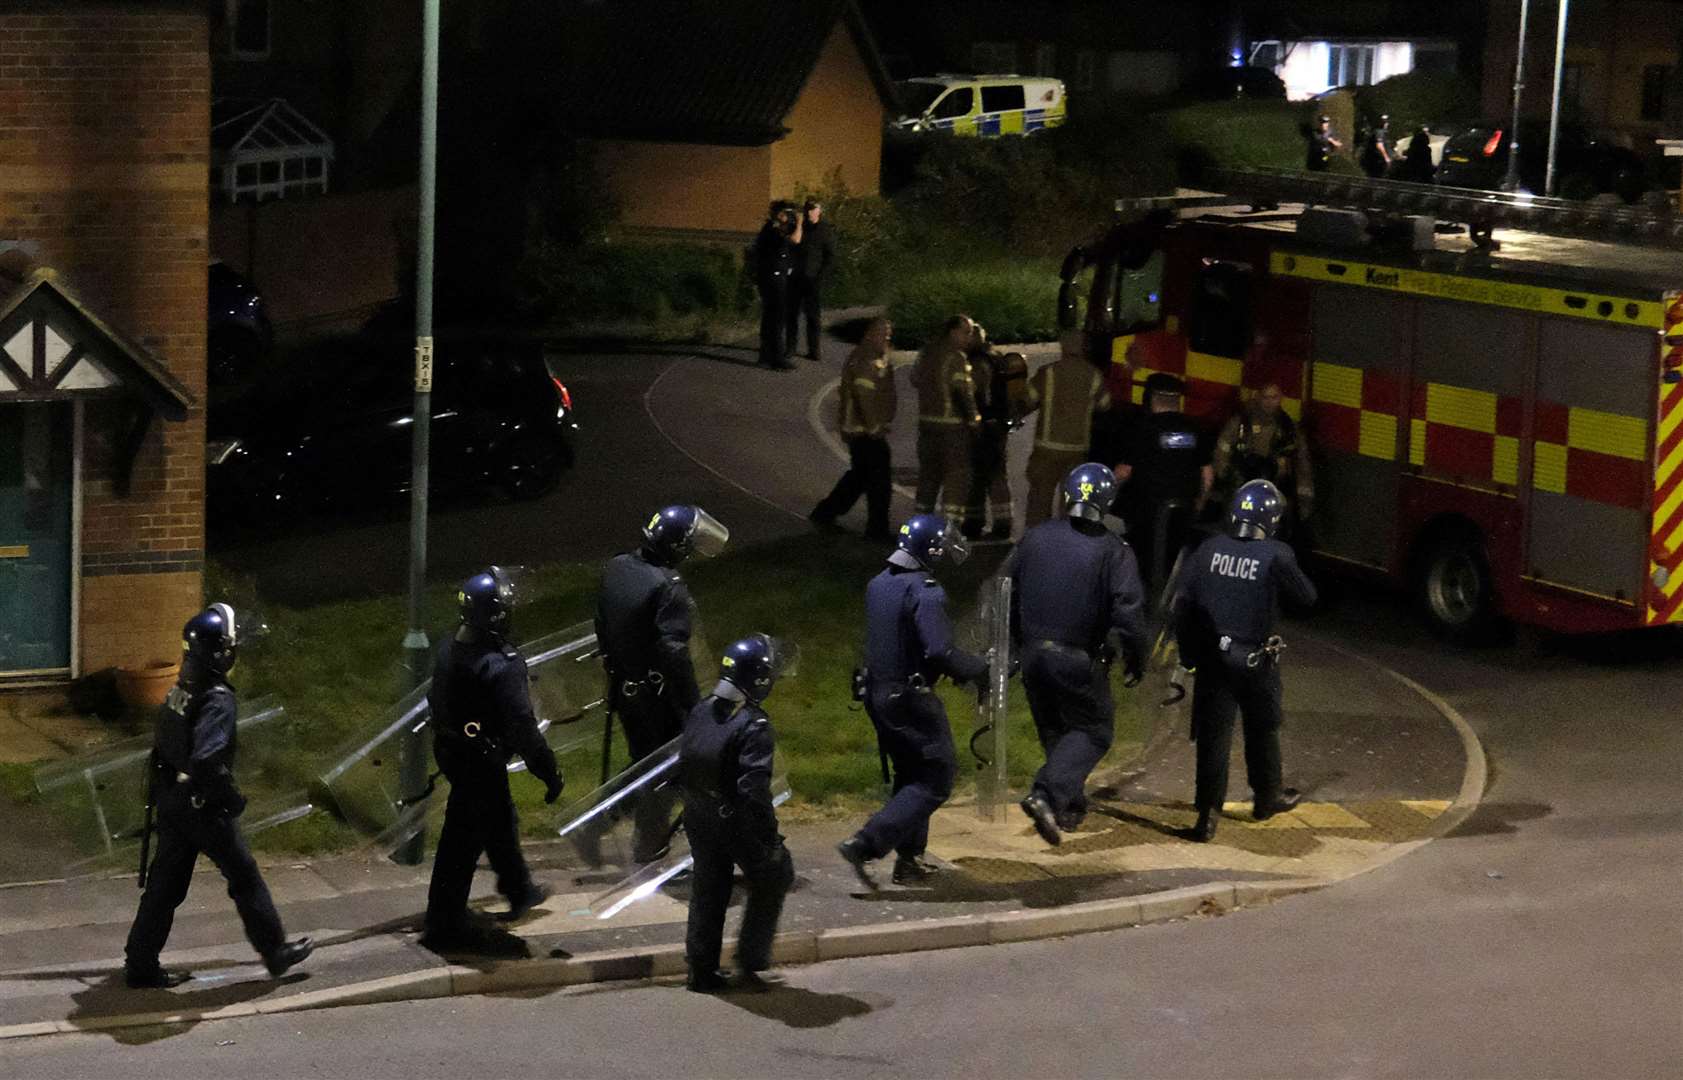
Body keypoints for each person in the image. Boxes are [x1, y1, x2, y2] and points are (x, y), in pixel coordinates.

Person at [124, 604, 313, 988]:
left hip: (173, 800)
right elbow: (208, 758)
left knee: (164, 887)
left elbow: (165, 741)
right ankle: (274, 952)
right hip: (202, 806)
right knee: (244, 877)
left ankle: (140, 963)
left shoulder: (183, 686)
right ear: (221, 653)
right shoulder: (217, 698)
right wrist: (229, 798)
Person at [838, 515, 988, 888]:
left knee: (911, 776)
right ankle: (866, 842)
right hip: (910, 699)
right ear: (931, 549)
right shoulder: (926, 590)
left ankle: (909, 862)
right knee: (935, 779)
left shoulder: (879, 584)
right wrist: (977, 669)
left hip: (878, 692)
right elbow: (939, 650)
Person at [422, 567, 566, 948]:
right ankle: (445, 925)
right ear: (498, 615)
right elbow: (523, 727)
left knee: (499, 817)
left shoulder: (450, 646)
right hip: (479, 760)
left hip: (452, 749)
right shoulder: (502, 665)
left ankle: (518, 888)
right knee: (462, 839)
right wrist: (548, 771)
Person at [1009, 463, 1151, 845]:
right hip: (1077, 659)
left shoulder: (1035, 538)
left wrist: (1010, 649)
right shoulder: (1113, 551)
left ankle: (1067, 809)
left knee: (1057, 733)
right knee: (1093, 731)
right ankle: (1045, 794)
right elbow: (1128, 612)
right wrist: (1138, 658)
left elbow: (1005, 592)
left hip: (1033, 656)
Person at [1171, 480, 1318, 843]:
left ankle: (1207, 815)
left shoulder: (1208, 549)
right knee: (1262, 728)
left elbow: (1183, 604)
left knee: (1213, 738)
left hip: (1212, 659)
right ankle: (1267, 798)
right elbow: (1307, 597)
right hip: (1256, 660)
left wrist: (1188, 656)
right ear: (1272, 519)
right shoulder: (1276, 554)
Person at [593, 505, 730, 863]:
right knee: (669, 768)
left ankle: (600, 821)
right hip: (657, 696)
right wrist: (692, 708)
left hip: (625, 688)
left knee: (643, 762)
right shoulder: (668, 587)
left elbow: (601, 622)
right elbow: (674, 653)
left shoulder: (619, 567)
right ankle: (645, 844)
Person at [681, 634, 797, 993]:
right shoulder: (754, 725)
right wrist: (769, 838)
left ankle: (701, 969)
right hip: (733, 820)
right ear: (760, 680)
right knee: (775, 873)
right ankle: (750, 959)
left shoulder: (701, 710)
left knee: (709, 886)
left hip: (698, 814)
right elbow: (754, 792)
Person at [1114, 371, 1211, 602]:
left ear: (1151, 398)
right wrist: (1199, 503)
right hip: (1183, 508)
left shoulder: (1142, 428)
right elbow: (1207, 474)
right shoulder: (1194, 428)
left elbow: (1124, 472)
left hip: (1147, 511)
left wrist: (1109, 488)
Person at [810, 317, 897, 542]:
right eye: (881, 332)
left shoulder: (874, 357)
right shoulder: (865, 359)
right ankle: (877, 529)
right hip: (864, 431)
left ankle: (825, 511)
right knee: (879, 480)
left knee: (859, 476)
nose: (886, 337)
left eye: (888, 333)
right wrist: (875, 426)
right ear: (868, 334)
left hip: (862, 430)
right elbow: (865, 397)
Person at [1023, 331, 1111, 527]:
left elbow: (1029, 399)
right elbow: (1105, 404)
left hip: (1046, 448)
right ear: (1083, 347)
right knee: (1071, 499)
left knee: (1040, 497)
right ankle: (1065, 541)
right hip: (1077, 449)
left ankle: (1036, 538)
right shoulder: (1094, 375)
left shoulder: (1048, 372)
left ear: (1063, 346)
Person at [1211, 382, 1313, 522]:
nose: (1270, 402)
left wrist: (1304, 499)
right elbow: (1221, 451)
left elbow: (1303, 464)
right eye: (1266, 397)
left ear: (1281, 398)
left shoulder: (1288, 428)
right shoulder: (1242, 423)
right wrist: (1228, 477)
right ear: (1258, 397)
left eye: (1274, 397)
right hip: (1242, 486)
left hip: (1275, 490)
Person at [913, 315, 982, 522]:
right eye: (966, 332)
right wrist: (974, 420)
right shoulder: (956, 358)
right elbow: (963, 392)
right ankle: (950, 530)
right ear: (953, 332)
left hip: (926, 427)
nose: (969, 338)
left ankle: (920, 522)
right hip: (952, 430)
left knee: (928, 479)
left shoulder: (927, 355)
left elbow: (915, 380)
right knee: (956, 479)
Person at [961, 325, 1027, 540]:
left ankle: (973, 523)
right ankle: (1002, 523)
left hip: (983, 425)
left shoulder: (977, 362)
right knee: (997, 475)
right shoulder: (998, 358)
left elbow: (974, 394)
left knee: (979, 475)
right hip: (998, 425)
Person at [752, 201, 801, 370]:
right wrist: (800, 223)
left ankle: (765, 356)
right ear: (780, 214)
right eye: (787, 213)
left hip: (770, 277)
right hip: (774, 279)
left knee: (769, 318)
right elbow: (796, 239)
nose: (790, 217)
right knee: (778, 319)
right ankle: (777, 359)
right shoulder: (774, 229)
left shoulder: (769, 228)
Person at [787, 198, 835, 361]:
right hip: (796, 277)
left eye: (813, 209)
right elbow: (792, 246)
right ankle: (790, 348)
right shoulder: (801, 227)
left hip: (813, 278)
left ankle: (814, 350)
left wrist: (821, 276)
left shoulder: (824, 230)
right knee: (792, 314)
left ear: (819, 211)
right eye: (807, 209)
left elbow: (830, 256)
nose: (809, 212)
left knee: (813, 316)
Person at [1360, 114, 1393, 178]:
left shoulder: (1378, 131)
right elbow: (1379, 145)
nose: (1385, 124)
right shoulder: (1379, 132)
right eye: (1384, 122)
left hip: (1376, 161)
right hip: (1378, 162)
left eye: (1386, 122)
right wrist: (1386, 158)